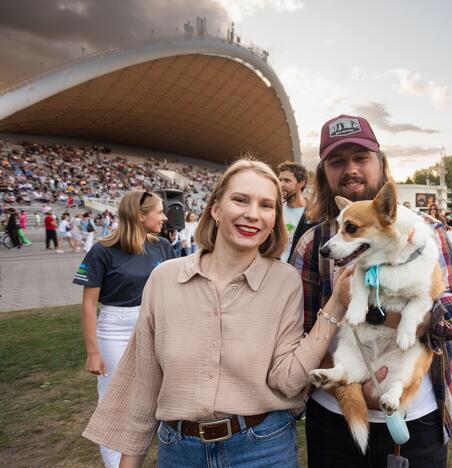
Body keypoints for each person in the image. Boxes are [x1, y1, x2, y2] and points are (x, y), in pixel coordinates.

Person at [83, 160, 351, 468]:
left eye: (266, 205)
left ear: (274, 219)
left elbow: (289, 382)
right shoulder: (164, 279)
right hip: (179, 451)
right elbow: (144, 384)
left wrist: (335, 305)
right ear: (215, 209)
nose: (253, 213)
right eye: (240, 200)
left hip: (262, 449)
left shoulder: (285, 281)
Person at [290, 114, 452, 467]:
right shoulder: (314, 245)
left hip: (417, 418)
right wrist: (353, 383)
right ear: (324, 173)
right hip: (335, 420)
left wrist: (405, 317)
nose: (350, 170)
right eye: (337, 161)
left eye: (360, 158)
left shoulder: (427, 232)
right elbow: (301, 335)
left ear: (380, 164)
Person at [74, 191, 177, 467]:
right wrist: (93, 351)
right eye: (159, 211)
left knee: (159, 395)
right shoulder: (102, 250)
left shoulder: (163, 246)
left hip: (156, 325)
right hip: (115, 331)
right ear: (140, 216)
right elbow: (88, 305)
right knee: (116, 401)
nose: (164, 216)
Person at [277, 161, 314, 262]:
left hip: (300, 272)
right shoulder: (276, 211)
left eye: (287, 180)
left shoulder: (314, 214)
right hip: (276, 268)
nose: (281, 184)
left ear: (301, 183)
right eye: (280, 180)